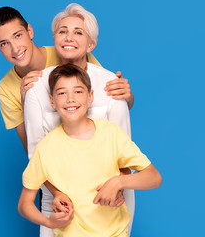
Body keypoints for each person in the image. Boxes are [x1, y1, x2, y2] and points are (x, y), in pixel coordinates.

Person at [23, 3, 135, 236]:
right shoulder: (36, 86)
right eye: (62, 31)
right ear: (54, 37)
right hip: (59, 200)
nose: (69, 37)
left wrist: (118, 187)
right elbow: (35, 153)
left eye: (78, 32)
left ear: (91, 44)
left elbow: (125, 149)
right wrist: (58, 194)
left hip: (107, 198)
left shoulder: (110, 84)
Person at [18, 63, 162, 236]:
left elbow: (154, 177)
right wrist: (48, 221)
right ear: (52, 101)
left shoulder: (111, 134)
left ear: (90, 97)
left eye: (78, 91)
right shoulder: (46, 148)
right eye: (62, 93)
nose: (70, 98)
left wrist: (118, 182)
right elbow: (24, 203)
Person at [0, 6, 134, 153]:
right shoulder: (6, 89)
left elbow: (106, 95)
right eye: (4, 43)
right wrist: (27, 101)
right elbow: (31, 147)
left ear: (30, 31)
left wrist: (127, 96)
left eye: (18, 35)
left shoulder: (69, 50)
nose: (15, 48)